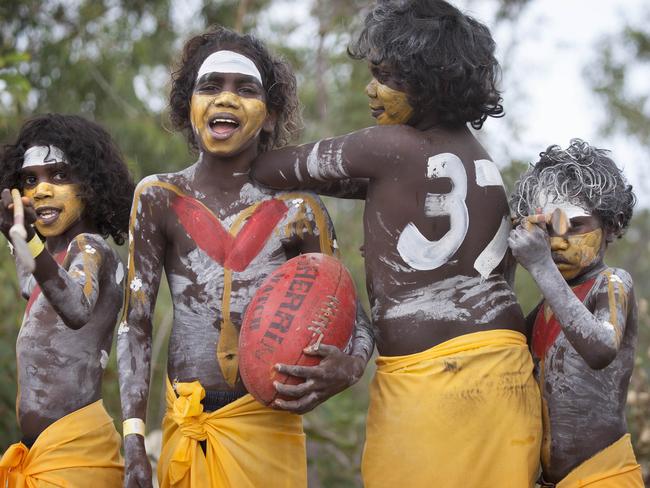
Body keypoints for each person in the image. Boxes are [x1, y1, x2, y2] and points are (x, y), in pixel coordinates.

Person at [252, 1, 541, 486]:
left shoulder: (386, 148)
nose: (371, 88)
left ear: (429, 82)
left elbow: (268, 170)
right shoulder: (485, 166)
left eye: (385, 76)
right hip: (507, 376)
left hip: (430, 389)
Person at [117, 26, 373, 488]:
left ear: (270, 116)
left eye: (246, 89)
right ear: (188, 107)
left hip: (268, 429)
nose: (226, 99)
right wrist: (134, 439)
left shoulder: (299, 209)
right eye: (210, 87)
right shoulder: (158, 197)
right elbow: (136, 323)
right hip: (188, 422)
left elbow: (353, 315)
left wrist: (350, 367)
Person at [0, 114, 133, 486]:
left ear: (90, 186)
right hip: (41, 453)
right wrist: (15, 234)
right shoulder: (52, 260)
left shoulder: (90, 247)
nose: (42, 190)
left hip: (76, 452)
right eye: (30, 180)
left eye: (59, 176)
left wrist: (27, 239)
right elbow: (32, 284)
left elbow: (75, 308)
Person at [509, 139, 643, 487]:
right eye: (547, 227)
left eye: (575, 224)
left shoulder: (612, 284)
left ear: (611, 225)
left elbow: (600, 348)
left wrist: (540, 266)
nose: (557, 242)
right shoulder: (544, 312)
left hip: (606, 475)